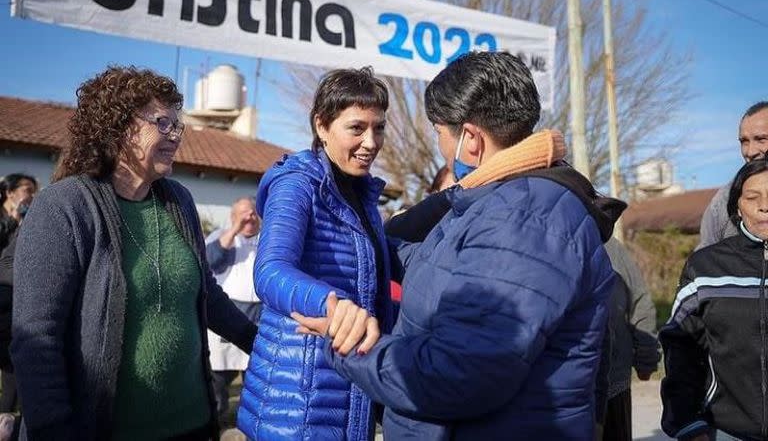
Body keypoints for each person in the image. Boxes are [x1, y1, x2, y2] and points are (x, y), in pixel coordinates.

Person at [296, 51, 624, 440]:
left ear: (470, 139)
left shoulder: (525, 219)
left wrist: (347, 346)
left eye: (438, 131)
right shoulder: (495, 201)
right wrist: (366, 249)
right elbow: (441, 262)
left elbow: (457, 376)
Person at [10, 66, 257, 441]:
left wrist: (263, 344)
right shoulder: (63, 207)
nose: (176, 136)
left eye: (178, 126)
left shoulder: (179, 201)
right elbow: (36, 339)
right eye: (163, 123)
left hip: (192, 425)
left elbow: (206, 295)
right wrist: (53, 429)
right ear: (118, 127)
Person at [237, 67, 393, 440]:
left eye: (379, 128)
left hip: (348, 386)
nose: (371, 142)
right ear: (322, 126)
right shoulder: (296, 184)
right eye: (357, 128)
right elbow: (271, 271)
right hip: (296, 402)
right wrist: (333, 306)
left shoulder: (364, 195)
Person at [661, 156, 768, 440]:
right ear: (737, 206)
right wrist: (687, 423)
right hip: (728, 430)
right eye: (752, 197)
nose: (764, 206)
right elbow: (680, 347)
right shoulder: (707, 267)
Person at [204, 196, 262, 419]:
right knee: (217, 381)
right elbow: (212, 260)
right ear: (232, 217)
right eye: (243, 214)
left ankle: (251, 421)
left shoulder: (266, 239)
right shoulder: (222, 236)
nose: (250, 218)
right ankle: (216, 418)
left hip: (258, 316)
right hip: (226, 316)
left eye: (253, 214)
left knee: (255, 379)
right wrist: (235, 229)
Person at [602, 238, 660, 441]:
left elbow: (640, 302)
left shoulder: (611, 247)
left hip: (613, 382)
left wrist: (646, 358)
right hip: (568, 387)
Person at [697, 101, 768, 250]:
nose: (750, 151)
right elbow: (704, 260)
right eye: (744, 141)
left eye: (761, 139)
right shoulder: (724, 200)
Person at [0, 174, 37, 441]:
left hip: (15, 309)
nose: (30, 196)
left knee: (16, 372)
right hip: (5, 303)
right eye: (26, 190)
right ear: (9, 192)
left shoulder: (24, 222)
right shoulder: (7, 222)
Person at [0, 175, 36, 255]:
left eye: (34, 192)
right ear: (9, 192)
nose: (33, 195)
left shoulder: (27, 217)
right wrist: (12, 220)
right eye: (28, 190)